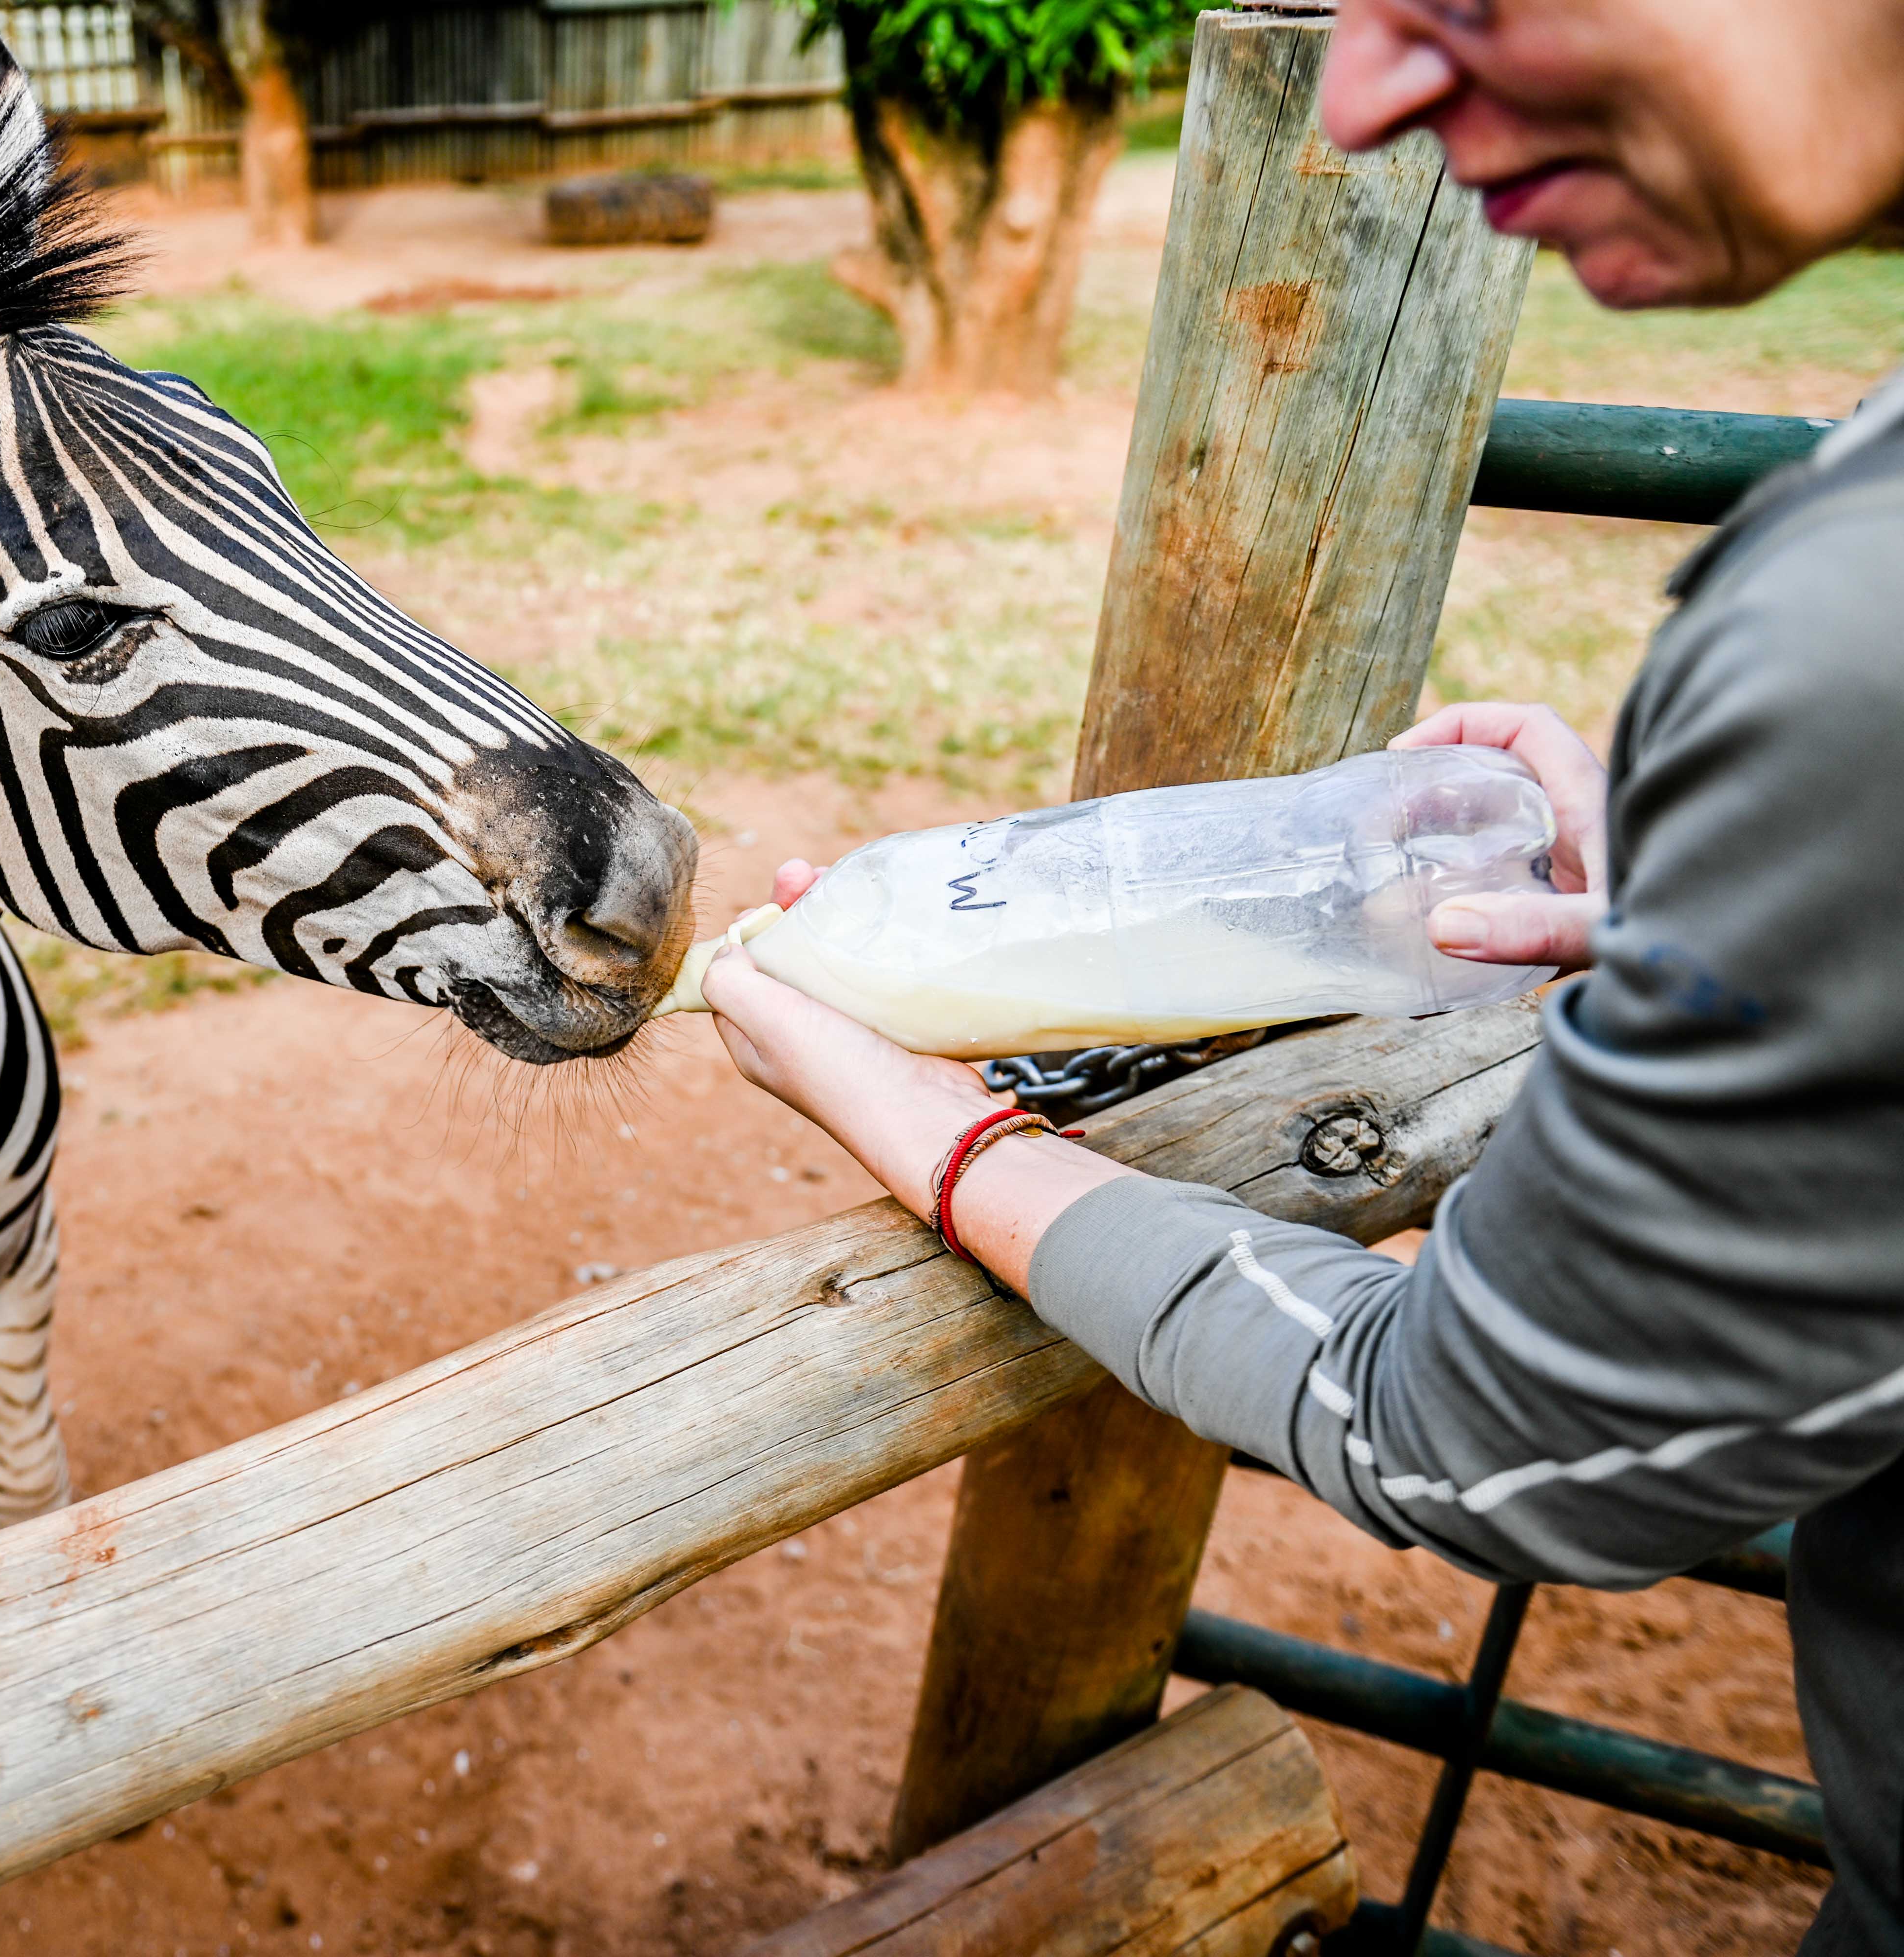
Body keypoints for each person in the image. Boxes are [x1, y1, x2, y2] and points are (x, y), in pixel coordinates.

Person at [697, 3, 1904, 1951]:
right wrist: (1753, 910)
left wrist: (942, 1132)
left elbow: (1465, 1433)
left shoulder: (1860, 618)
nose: (1350, 100)